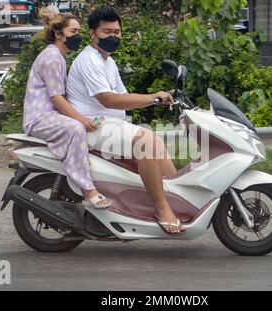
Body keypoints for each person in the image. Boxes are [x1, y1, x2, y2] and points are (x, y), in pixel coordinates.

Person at [66, 6, 186, 235]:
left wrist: (163, 97)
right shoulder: (88, 60)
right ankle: (163, 210)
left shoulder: (108, 62)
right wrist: (153, 98)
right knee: (147, 141)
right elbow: (109, 100)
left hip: (108, 125)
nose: (114, 36)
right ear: (93, 34)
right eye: (107, 31)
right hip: (91, 126)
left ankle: (176, 200)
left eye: (117, 32)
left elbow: (123, 96)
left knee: (157, 143)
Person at [22, 5, 111, 209]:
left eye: (79, 32)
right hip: (40, 118)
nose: (77, 36)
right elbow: (56, 98)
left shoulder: (57, 56)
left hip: (50, 116)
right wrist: (80, 119)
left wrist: (85, 116)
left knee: (94, 124)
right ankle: (88, 190)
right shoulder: (52, 57)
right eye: (73, 32)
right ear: (58, 34)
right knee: (76, 128)